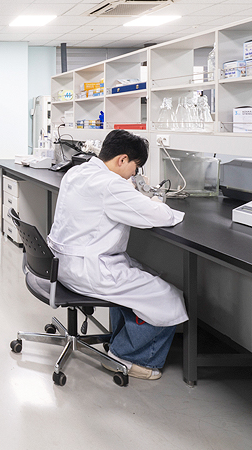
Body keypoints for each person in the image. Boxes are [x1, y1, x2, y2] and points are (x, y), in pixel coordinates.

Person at [46, 129, 186, 381]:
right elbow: (158, 215)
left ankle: (121, 339)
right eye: (136, 166)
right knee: (169, 296)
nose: (135, 173)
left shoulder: (78, 172)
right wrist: (156, 201)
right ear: (122, 159)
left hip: (60, 264)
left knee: (143, 273)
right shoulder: (110, 184)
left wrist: (131, 191)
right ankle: (129, 357)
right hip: (89, 270)